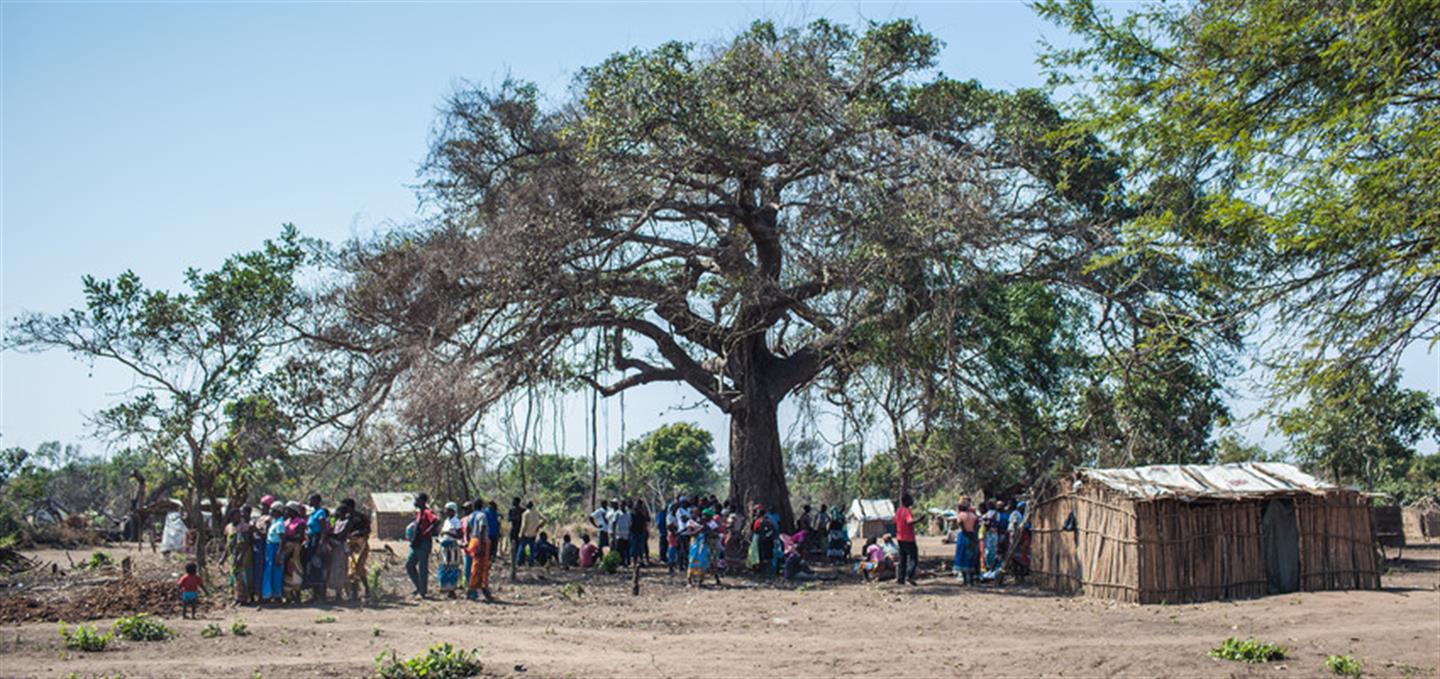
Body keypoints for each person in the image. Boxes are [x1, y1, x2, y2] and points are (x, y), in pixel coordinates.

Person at [407, 493, 439, 598]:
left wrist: (427, 532)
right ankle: (419, 587)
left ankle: (422, 592)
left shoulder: (427, 512)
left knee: (422, 567)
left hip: (424, 542)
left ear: (422, 501)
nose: (415, 501)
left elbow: (436, 521)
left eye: (417, 499)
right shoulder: (419, 513)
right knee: (409, 565)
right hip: (416, 542)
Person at [341, 498, 371, 601]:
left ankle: (358, 592)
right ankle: (359, 592)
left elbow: (367, 530)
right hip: (349, 544)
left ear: (349, 506)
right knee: (353, 567)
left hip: (360, 544)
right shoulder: (344, 518)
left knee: (356, 566)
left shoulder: (361, 517)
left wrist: (358, 534)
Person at [302, 493, 331, 601]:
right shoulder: (313, 513)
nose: (309, 502)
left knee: (319, 566)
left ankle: (321, 595)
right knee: (312, 567)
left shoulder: (321, 513)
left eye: (311, 500)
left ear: (317, 501)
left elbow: (323, 529)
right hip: (311, 541)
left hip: (317, 541)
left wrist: (321, 543)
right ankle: (315, 595)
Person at [464, 496, 493, 602]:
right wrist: (481, 545)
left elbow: (467, 529)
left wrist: (468, 541)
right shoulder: (482, 516)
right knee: (481, 567)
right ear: (481, 506)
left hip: (473, 541)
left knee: (475, 566)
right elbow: (482, 529)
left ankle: (482, 589)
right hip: (481, 541)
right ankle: (474, 590)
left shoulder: (471, 516)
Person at [224, 506, 254, 605]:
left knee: (242, 576)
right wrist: (223, 557)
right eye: (236, 516)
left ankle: (244, 598)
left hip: (243, 554)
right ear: (231, 517)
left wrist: (240, 556)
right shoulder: (228, 527)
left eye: (239, 515)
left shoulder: (244, 527)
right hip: (232, 554)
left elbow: (245, 543)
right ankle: (237, 597)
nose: (238, 517)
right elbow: (227, 543)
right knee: (234, 577)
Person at [894, 493, 922, 586]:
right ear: (906, 501)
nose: (912, 501)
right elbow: (909, 522)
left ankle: (900, 579)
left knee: (903, 558)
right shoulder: (907, 511)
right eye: (910, 499)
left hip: (900, 537)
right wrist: (919, 520)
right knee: (913, 558)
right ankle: (909, 576)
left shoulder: (898, 510)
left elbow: (895, 521)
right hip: (908, 538)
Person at [437, 502, 463, 598]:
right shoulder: (447, 521)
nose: (446, 511)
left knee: (451, 567)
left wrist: (448, 533)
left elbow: (460, 535)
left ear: (452, 511)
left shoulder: (456, 521)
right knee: (444, 566)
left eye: (447, 510)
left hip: (452, 548)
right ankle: (445, 588)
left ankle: (452, 590)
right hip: (444, 547)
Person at [283, 502, 306, 603]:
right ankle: (288, 595)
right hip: (287, 549)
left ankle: (297, 594)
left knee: (295, 569)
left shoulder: (300, 522)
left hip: (295, 549)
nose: (286, 512)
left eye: (288, 510)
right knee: (287, 571)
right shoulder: (287, 521)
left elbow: (300, 536)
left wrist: (287, 537)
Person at [953, 498, 980, 584]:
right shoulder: (974, 516)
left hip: (963, 537)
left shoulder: (960, 515)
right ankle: (971, 580)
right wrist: (973, 537)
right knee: (971, 557)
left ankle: (965, 580)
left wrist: (968, 536)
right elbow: (976, 527)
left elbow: (962, 528)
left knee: (962, 556)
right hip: (972, 535)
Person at [263, 503, 285, 602]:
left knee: (276, 572)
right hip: (270, 547)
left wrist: (278, 554)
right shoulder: (274, 522)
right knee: (269, 571)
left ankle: (277, 595)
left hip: (275, 548)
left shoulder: (280, 523)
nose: (270, 512)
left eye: (272, 510)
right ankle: (268, 594)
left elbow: (282, 540)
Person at [517, 501, 545, 567]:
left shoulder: (525, 514)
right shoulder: (536, 512)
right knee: (531, 549)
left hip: (526, 534)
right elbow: (544, 519)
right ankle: (530, 563)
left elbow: (523, 525)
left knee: (522, 548)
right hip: (533, 534)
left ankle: (518, 562)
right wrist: (539, 526)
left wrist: (520, 534)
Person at [631, 499, 651, 566]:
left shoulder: (643, 513)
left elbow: (648, 520)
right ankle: (634, 562)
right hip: (634, 532)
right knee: (634, 548)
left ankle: (642, 561)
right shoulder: (632, 514)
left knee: (642, 548)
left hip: (642, 532)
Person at [612, 502, 632, 566]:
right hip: (619, 534)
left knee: (626, 549)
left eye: (622, 505)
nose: (621, 506)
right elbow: (614, 523)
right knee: (619, 549)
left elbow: (630, 523)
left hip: (626, 534)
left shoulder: (628, 514)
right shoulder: (617, 513)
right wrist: (613, 532)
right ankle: (621, 562)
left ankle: (627, 562)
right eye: (620, 505)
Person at [507, 497, 525, 565]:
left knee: (520, 545)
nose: (513, 502)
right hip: (514, 529)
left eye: (514, 501)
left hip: (520, 530)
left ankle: (519, 560)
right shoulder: (511, 510)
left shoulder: (523, 510)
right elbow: (509, 519)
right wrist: (515, 518)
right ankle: (513, 559)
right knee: (512, 544)